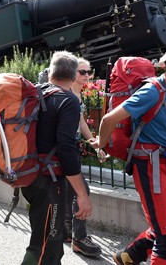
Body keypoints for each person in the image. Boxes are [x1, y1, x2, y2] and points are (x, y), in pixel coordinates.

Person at [90, 37, 166, 265]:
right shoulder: (152, 91)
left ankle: (127, 257)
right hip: (150, 165)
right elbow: (108, 119)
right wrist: (101, 143)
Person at [20, 50, 92, 265]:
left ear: (50, 71)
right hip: (50, 183)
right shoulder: (67, 99)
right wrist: (82, 194)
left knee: (49, 239)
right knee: (46, 246)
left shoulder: (35, 93)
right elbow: (66, 148)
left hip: (30, 176)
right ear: (72, 76)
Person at [64, 58, 102, 257]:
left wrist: (94, 142)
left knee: (69, 192)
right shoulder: (66, 93)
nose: (87, 75)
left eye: (89, 72)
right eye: (82, 72)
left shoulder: (78, 95)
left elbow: (81, 123)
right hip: (64, 150)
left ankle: (67, 231)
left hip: (74, 148)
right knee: (82, 191)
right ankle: (79, 238)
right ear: (72, 73)